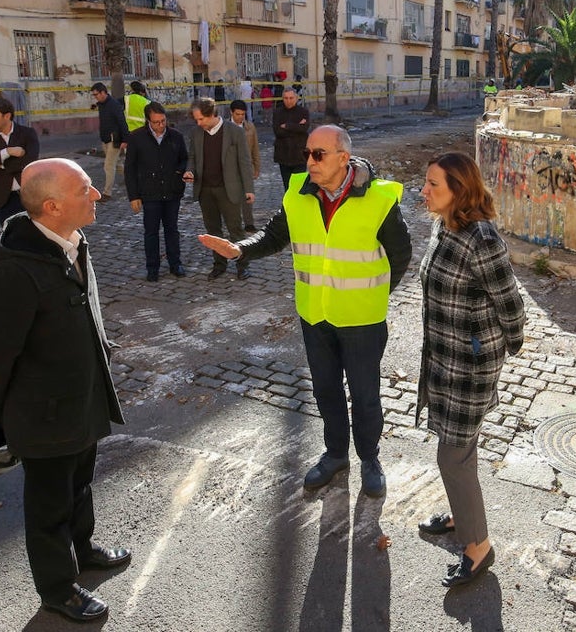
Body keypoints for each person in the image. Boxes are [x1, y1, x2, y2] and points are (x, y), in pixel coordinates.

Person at [198, 125, 412, 497]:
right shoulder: (298, 193)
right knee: (326, 390)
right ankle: (334, 455)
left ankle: (370, 458)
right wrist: (239, 250)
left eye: (318, 154)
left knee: (365, 395)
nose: (309, 161)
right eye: (307, 153)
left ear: (343, 159)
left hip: (362, 319)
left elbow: (401, 254)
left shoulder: (379, 199)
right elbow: (274, 235)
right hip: (315, 315)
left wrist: (377, 294)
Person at [0, 158, 128, 623]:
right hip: (43, 412)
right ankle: (58, 587)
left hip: (81, 397)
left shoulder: (72, 240)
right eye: (85, 189)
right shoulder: (12, 271)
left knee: (79, 483)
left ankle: (84, 549)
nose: (96, 194)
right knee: (48, 504)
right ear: (53, 205)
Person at [416, 152, 524, 588]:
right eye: (425, 183)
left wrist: (502, 349)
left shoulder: (482, 239)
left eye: (433, 185)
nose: (423, 190)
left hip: (470, 366)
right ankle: (465, 518)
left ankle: (478, 548)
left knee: (452, 455)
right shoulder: (442, 227)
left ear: (459, 191)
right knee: (457, 447)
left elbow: (511, 304)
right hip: (443, 356)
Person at [186, 97, 255, 279]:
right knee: (213, 231)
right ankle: (219, 264)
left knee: (235, 229)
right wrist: (190, 172)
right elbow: (192, 157)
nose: (198, 123)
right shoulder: (196, 133)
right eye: (196, 120)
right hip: (205, 190)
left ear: (212, 115)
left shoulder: (234, 132)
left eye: (201, 119)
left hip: (229, 189)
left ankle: (243, 265)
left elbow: (244, 161)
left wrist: (249, 188)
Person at [124, 102, 188, 281]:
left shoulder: (176, 136)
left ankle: (176, 263)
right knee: (151, 232)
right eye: (156, 122)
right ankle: (152, 268)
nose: (161, 125)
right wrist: (134, 196)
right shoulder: (136, 138)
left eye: (163, 121)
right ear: (148, 121)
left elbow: (184, 159)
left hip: (172, 191)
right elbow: (130, 169)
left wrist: (179, 173)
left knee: (172, 230)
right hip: (149, 193)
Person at [0, 96, 40, 225]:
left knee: (34, 232)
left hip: (27, 193)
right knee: (9, 235)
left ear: (7, 116)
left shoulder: (27, 133)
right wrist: (8, 152)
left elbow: (29, 162)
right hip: (4, 197)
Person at [91, 83, 128, 200]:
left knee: (108, 166)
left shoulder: (114, 105)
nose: (95, 97)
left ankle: (107, 193)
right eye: (94, 95)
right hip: (105, 139)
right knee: (116, 164)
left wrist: (125, 139)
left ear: (103, 92)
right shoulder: (102, 104)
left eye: (96, 94)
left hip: (114, 139)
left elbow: (122, 122)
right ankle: (133, 177)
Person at [230, 99, 261, 232]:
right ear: (232, 113)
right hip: (230, 167)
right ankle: (234, 222)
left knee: (248, 196)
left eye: (243, 114)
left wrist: (256, 167)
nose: (240, 117)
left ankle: (249, 223)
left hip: (246, 166)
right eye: (238, 114)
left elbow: (255, 149)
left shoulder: (250, 127)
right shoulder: (225, 128)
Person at [272, 87, 310, 191]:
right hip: (283, 155)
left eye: (291, 98)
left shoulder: (303, 112)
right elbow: (278, 132)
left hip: (300, 156)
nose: (288, 101)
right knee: (287, 187)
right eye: (286, 98)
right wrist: (296, 126)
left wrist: (287, 126)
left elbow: (304, 128)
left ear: (296, 98)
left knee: (299, 187)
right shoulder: (277, 113)